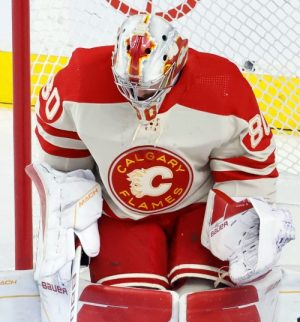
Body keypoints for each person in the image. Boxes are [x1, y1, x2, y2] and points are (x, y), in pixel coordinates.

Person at [33, 12, 286, 291]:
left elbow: (248, 168)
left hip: (199, 215)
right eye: (128, 85)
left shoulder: (221, 86)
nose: (138, 95)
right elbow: (65, 167)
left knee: (202, 301)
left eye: (148, 86)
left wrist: (245, 218)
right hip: (122, 217)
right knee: (131, 309)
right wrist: (69, 210)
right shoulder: (78, 82)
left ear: (175, 65)